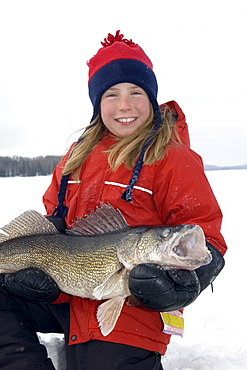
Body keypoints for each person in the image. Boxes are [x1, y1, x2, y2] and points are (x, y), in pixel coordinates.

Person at [0, 31, 227, 370]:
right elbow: (52, 222)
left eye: (136, 92)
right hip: (66, 294)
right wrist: (37, 273)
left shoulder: (173, 158)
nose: (125, 105)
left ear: (151, 98)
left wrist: (188, 283)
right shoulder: (75, 157)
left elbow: (207, 237)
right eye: (112, 94)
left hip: (135, 307)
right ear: (97, 103)